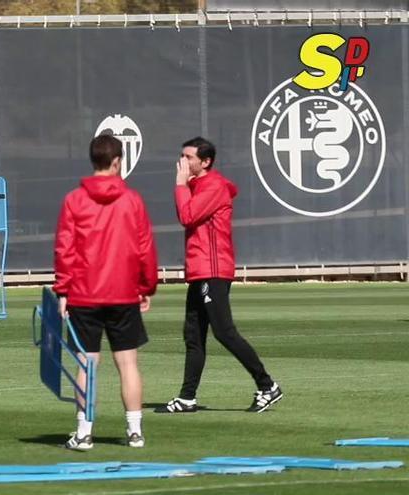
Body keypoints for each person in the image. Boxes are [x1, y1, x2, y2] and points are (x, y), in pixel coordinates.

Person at [158, 137, 283, 414]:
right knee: (193, 335)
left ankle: (267, 385)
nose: (183, 162)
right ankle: (187, 397)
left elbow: (188, 216)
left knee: (225, 332)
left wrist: (180, 185)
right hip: (201, 270)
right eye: (183, 155)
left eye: (189, 157)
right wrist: (184, 185)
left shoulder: (212, 186)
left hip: (212, 270)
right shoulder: (197, 185)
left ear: (205, 162)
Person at [53, 134, 158, 450]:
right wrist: (146, 286)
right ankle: (135, 431)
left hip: (84, 293)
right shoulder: (132, 199)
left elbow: (65, 249)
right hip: (123, 292)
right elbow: (145, 247)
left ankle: (84, 432)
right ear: (117, 161)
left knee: (87, 365)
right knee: (128, 364)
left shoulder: (74, 199)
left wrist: (63, 290)